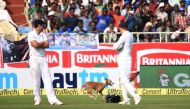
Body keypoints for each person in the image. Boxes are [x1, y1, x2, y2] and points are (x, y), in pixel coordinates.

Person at [28, 19, 63, 106]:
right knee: (36, 80)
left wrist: (40, 43)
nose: (43, 27)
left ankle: (53, 100)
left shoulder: (43, 34)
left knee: (48, 79)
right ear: (38, 26)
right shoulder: (31, 34)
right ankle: (37, 99)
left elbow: (47, 45)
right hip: (34, 58)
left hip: (43, 58)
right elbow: (35, 45)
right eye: (42, 25)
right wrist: (42, 43)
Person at [113, 22, 141, 105]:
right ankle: (126, 99)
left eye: (119, 28)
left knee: (124, 80)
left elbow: (115, 47)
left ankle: (136, 96)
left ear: (121, 28)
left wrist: (115, 45)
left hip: (124, 59)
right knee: (122, 80)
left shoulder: (125, 35)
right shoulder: (129, 35)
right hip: (125, 58)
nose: (119, 30)